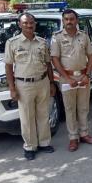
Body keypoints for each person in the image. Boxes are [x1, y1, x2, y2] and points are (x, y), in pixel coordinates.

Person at [4, 13, 56, 160]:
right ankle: (30, 146)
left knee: (43, 114)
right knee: (27, 117)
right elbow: (8, 67)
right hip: (23, 84)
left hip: (42, 82)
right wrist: (12, 88)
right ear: (20, 25)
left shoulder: (42, 42)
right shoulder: (12, 43)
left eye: (31, 23)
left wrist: (52, 83)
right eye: (25, 23)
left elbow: (48, 64)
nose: (29, 25)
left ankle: (44, 143)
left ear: (35, 24)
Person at [51, 9, 92, 152]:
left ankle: (84, 134)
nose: (69, 22)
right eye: (66, 19)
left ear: (76, 20)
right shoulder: (57, 37)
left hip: (83, 77)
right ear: (63, 21)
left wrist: (87, 74)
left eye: (72, 19)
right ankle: (73, 137)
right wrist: (66, 77)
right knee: (70, 108)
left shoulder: (84, 36)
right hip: (66, 79)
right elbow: (55, 59)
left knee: (83, 107)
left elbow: (91, 56)